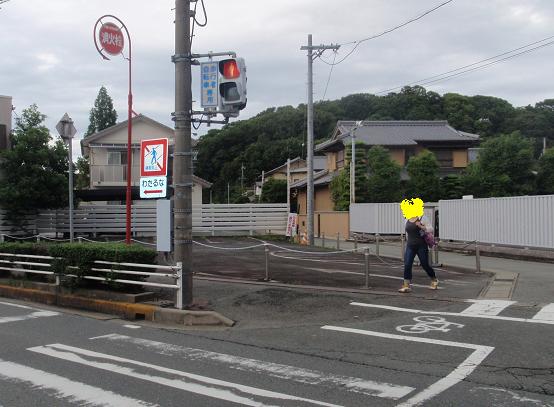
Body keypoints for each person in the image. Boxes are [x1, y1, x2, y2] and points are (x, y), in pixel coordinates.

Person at [399, 198, 438, 293]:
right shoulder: (406, 218)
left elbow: (431, 229)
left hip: (421, 245)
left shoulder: (422, 218)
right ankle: (406, 285)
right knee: (407, 264)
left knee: (425, 264)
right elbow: (407, 232)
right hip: (410, 245)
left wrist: (421, 226)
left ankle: (434, 279)